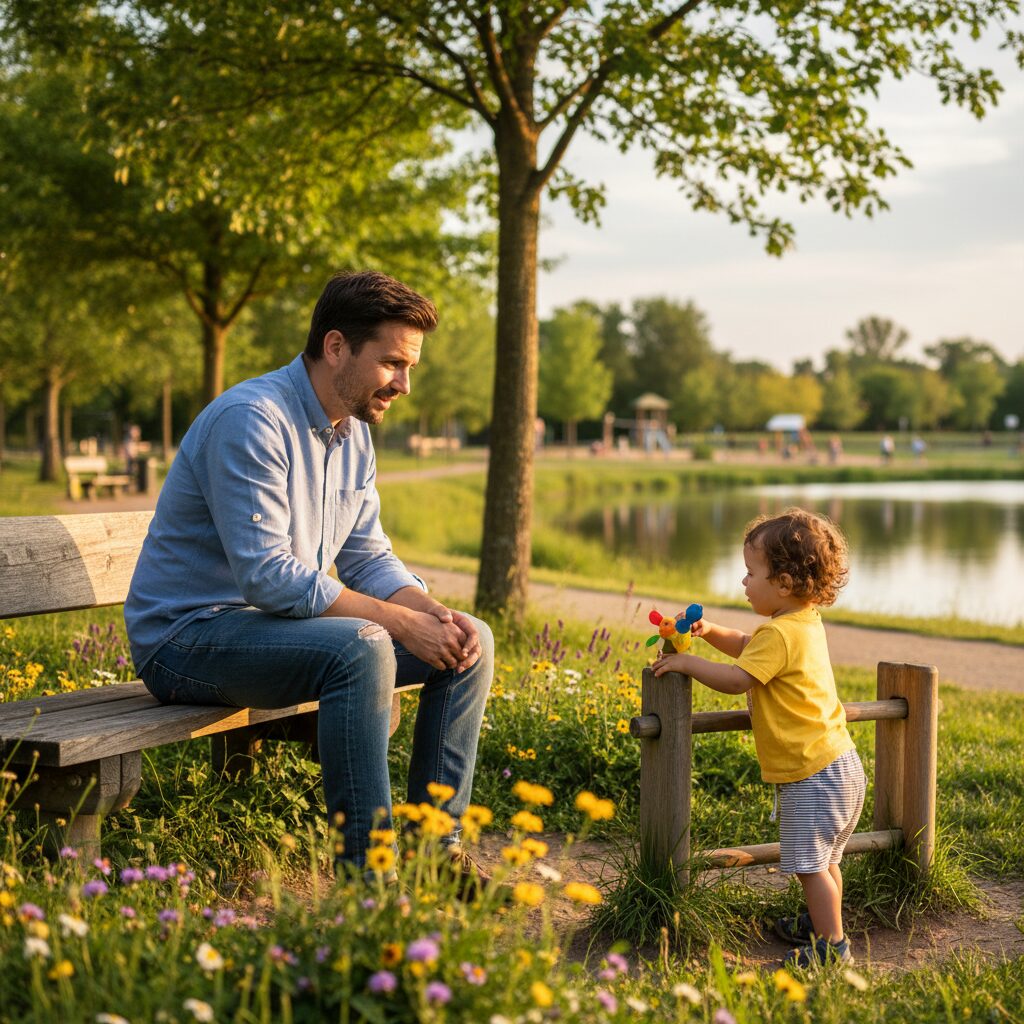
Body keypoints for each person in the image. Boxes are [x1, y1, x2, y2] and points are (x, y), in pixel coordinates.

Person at [124, 270, 493, 878]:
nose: (404, 385)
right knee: (363, 648)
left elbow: (368, 556)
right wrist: (397, 623)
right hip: (185, 639)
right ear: (336, 346)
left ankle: (437, 854)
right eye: (392, 363)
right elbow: (268, 576)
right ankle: (369, 880)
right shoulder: (253, 419)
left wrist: (429, 613)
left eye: (410, 368)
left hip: (272, 631)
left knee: (470, 641)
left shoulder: (354, 433)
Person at [652, 507, 864, 967]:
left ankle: (832, 948)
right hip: (840, 765)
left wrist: (686, 662)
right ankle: (821, 925)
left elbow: (737, 679)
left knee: (810, 867)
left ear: (783, 583)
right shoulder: (801, 623)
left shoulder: (780, 634)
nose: (743, 582)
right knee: (826, 862)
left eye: (751, 573)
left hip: (811, 774)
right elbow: (748, 647)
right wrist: (709, 632)